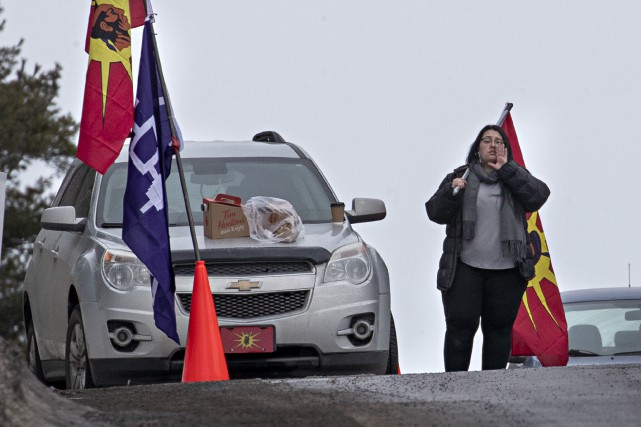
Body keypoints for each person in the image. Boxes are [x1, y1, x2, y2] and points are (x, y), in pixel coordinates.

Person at [425, 124, 550, 372]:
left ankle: (492, 388)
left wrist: (508, 170)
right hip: (464, 268)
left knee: (498, 330)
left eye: (498, 141)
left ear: (505, 149)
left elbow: (538, 196)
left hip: (507, 271)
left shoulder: (515, 177)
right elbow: (435, 212)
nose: (493, 145)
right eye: (487, 141)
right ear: (477, 149)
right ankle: (454, 385)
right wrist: (452, 192)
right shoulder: (462, 176)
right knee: (460, 327)